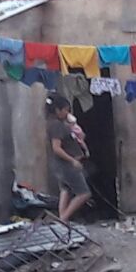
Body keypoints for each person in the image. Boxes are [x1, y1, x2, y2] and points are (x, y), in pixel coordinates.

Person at [45, 95, 90, 223]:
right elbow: (56, 148)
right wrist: (73, 160)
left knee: (66, 190)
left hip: (62, 165)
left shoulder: (60, 124)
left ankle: (62, 221)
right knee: (84, 193)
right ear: (57, 110)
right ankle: (63, 218)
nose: (67, 113)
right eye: (65, 110)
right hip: (66, 165)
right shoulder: (56, 126)